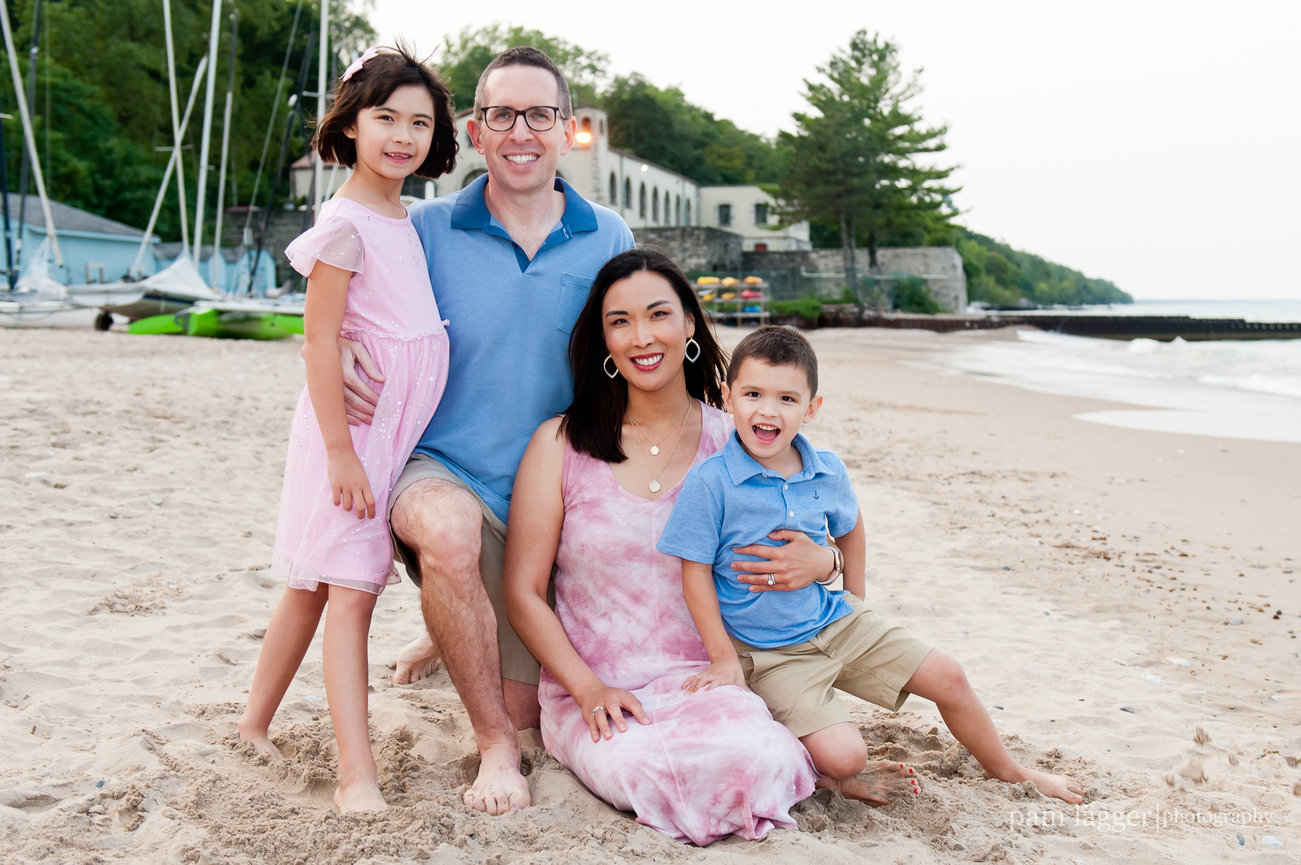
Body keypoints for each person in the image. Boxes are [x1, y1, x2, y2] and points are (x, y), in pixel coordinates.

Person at [504, 249, 920, 845]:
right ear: (603, 338)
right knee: (648, 773)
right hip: (599, 688)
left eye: (658, 315)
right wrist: (586, 686)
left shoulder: (745, 437)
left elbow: (829, 525)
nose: (642, 337)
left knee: (753, 760)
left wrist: (826, 562)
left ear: (690, 325)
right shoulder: (561, 443)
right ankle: (811, 772)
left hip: (718, 676)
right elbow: (523, 591)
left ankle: (809, 767)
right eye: (620, 321)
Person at [337, 47, 635, 815]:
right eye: (501, 114)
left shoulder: (608, 237)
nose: (520, 130)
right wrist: (337, 341)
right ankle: (493, 746)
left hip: (552, 498)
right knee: (447, 533)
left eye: (540, 113)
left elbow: (651, 357)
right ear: (474, 129)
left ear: (568, 129)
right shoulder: (425, 227)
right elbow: (338, 268)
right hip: (445, 466)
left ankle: (453, 625)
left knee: (536, 708)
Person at [657, 326, 1085, 805]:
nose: (768, 410)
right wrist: (722, 657)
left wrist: (854, 597)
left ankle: (1011, 771)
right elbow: (692, 572)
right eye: (753, 393)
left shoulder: (827, 469)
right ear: (727, 397)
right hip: (771, 652)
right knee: (846, 759)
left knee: (950, 676)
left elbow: (851, 526)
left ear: (811, 408)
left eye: (787, 398)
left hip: (834, 619)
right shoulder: (712, 481)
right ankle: (820, 765)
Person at [237, 46, 459, 813]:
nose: (402, 135)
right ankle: (354, 774)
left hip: (390, 435)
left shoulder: (406, 216)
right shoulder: (343, 221)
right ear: (351, 125)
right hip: (354, 440)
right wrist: (340, 452)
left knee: (308, 586)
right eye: (385, 117)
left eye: (419, 122)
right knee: (349, 595)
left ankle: (252, 720)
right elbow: (319, 337)